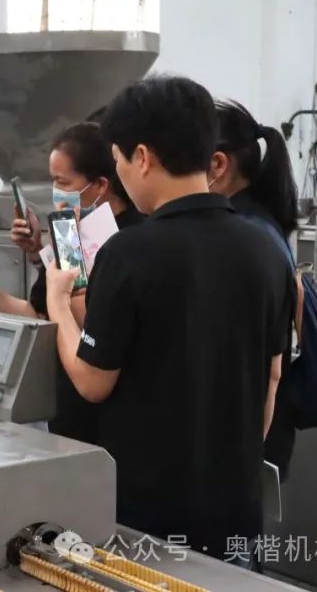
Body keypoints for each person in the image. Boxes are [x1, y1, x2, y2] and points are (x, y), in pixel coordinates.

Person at [43, 76, 294, 562]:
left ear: (141, 157)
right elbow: (273, 372)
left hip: (148, 518)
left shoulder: (129, 252)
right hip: (235, 508)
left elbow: (93, 381)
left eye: (117, 161)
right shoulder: (266, 248)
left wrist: (58, 301)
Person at [0, 122, 143, 442]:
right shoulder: (70, 233)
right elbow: (40, 316)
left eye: (62, 182)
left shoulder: (128, 241)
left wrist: (65, 275)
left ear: (100, 185)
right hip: (64, 402)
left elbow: (92, 324)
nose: (56, 193)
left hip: (110, 410)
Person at [208, 100, 300, 482]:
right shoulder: (256, 223)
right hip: (253, 429)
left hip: (249, 433)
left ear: (218, 165)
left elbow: (269, 368)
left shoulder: (242, 235)